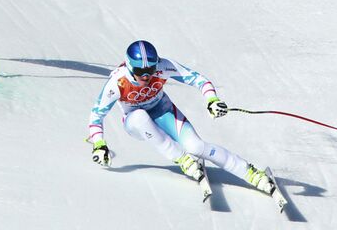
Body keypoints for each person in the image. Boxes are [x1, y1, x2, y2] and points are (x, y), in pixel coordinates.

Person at [87, 40, 274, 194]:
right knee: (140, 117)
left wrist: (212, 100)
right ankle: (183, 159)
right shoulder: (118, 82)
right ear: (129, 66)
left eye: (150, 70)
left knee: (197, 146)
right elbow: (97, 115)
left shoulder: (163, 67)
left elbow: (199, 79)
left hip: (163, 111)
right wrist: (99, 144)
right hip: (135, 123)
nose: (145, 76)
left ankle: (251, 173)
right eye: (139, 72)